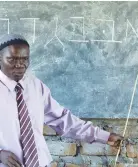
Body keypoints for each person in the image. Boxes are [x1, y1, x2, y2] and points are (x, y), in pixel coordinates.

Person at [0, 34, 123, 167]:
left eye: (25, 59)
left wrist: (105, 136)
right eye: (11, 59)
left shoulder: (35, 86)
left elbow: (63, 119)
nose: (19, 65)